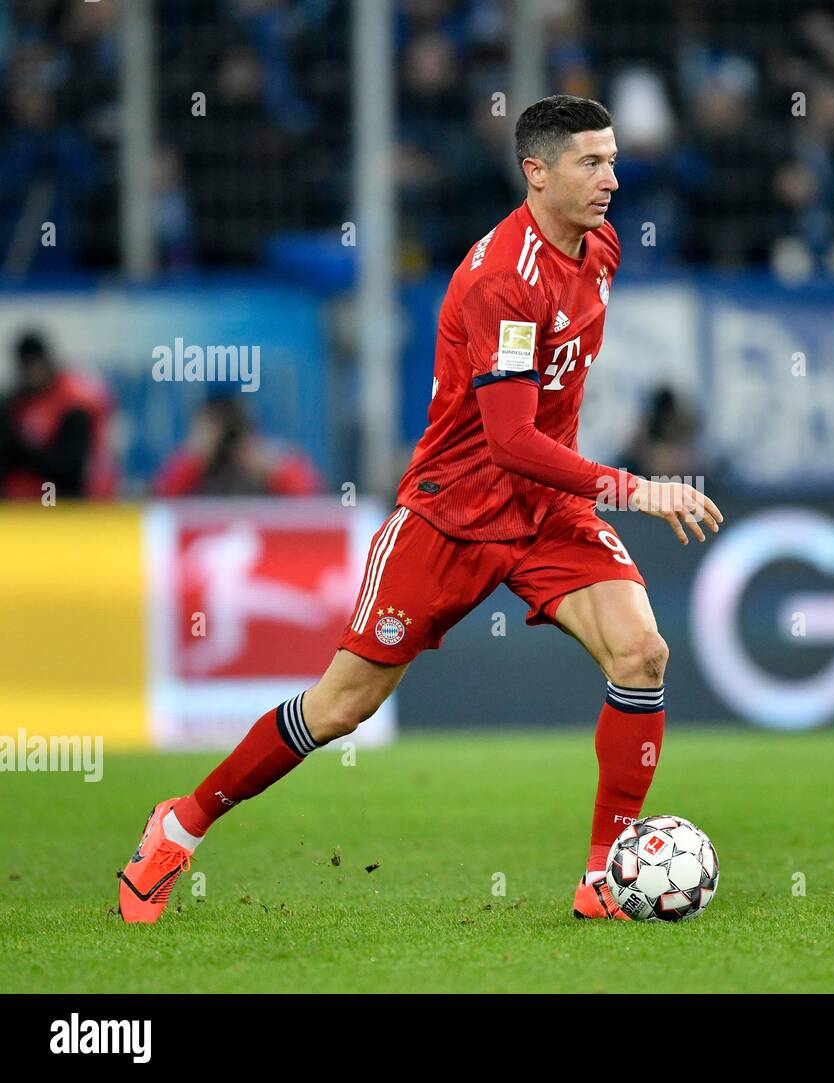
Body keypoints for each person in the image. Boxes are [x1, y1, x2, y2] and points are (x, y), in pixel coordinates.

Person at [118, 95, 722, 924]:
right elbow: (509, 439)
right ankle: (180, 825)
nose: (612, 179)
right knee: (343, 705)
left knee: (642, 653)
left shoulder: (601, 248)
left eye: (614, 159)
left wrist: (587, 491)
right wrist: (635, 486)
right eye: (592, 161)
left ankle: (602, 878)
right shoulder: (501, 281)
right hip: (452, 515)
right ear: (535, 172)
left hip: (548, 514)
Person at [0, 332, 116, 500]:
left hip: (71, 505)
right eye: (26, 367)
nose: (32, 373)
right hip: (23, 504)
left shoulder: (74, 403)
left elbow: (70, 468)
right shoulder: (17, 404)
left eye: (35, 364)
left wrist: (21, 452)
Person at [152, 395, 322, 497]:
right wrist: (192, 461)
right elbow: (158, 510)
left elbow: (313, 508)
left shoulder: (268, 464)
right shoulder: (191, 467)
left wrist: (278, 470)